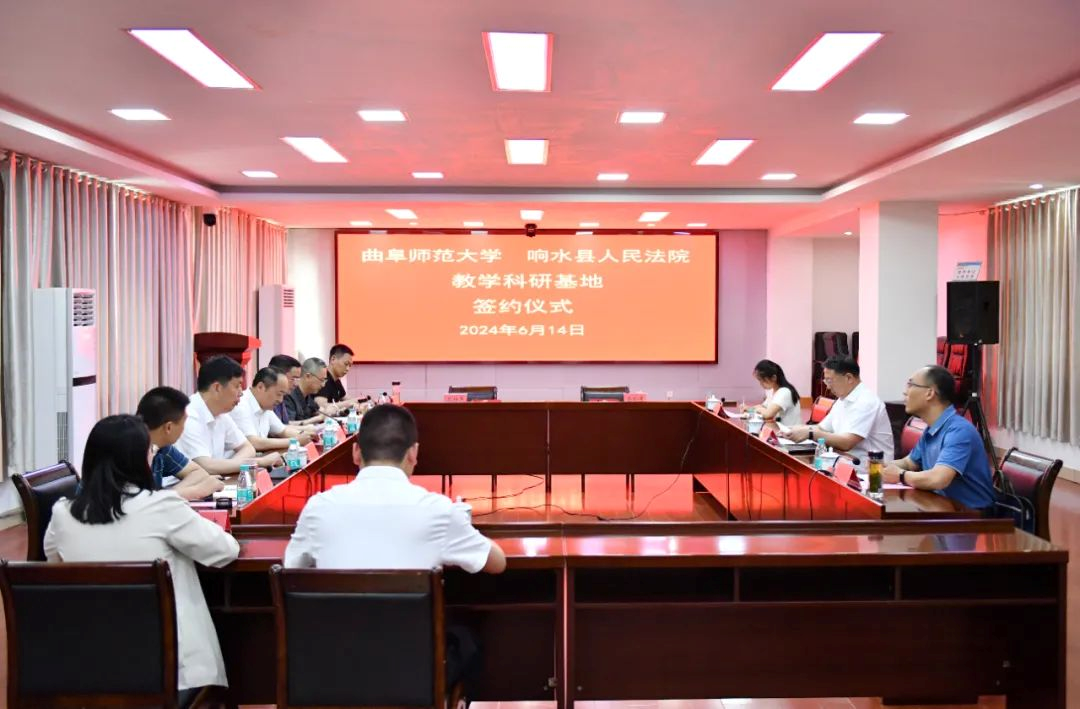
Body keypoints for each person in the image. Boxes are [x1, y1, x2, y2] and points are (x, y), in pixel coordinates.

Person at [44, 415, 240, 692]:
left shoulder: (62, 513)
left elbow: (54, 563)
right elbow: (225, 551)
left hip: (85, 664)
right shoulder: (161, 506)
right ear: (138, 460)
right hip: (165, 667)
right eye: (150, 451)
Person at [284, 404, 506, 572]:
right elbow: (497, 563)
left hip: (334, 623)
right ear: (413, 454)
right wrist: (459, 523)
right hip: (412, 623)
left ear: (356, 453)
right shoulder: (440, 511)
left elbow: (291, 567)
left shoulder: (318, 507)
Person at [882, 365, 997, 511]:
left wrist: (901, 476)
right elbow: (909, 462)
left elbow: (938, 479)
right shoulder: (932, 428)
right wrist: (881, 466)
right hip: (941, 509)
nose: (905, 392)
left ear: (929, 393)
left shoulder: (959, 431)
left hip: (971, 516)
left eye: (911, 385)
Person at [176, 355, 282, 474]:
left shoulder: (222, 413)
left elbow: (248, 448)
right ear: (217, 388)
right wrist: (259, 462)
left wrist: (232, 466)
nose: (241, 393)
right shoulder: (188, 416)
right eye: (237, 386)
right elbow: (207, 466)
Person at [787, 356, 894, 467]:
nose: (828, 387)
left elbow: (846, 443)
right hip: (844, 462)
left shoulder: (867, 401)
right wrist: (794, 429)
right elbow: (821, 428)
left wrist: (810, 434)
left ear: (849, 378)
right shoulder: (843, 399)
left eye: (829, 381)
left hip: (869, 470)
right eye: (825, 381)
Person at [136, 386, 224, 501]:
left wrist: (172, 494)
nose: (184, 428)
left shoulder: (161, 447)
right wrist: (195, 491)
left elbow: (197, 472)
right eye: (184, 422)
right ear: (168, 427)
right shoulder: (129, 448)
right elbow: (138, 502)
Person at [230, 367, 316, 452]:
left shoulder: (265, 406)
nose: (281, 400)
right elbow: (253, 442)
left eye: (283, 395)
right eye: (279, 394)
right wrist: (294, 441)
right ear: (260, 387)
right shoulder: (240, 405)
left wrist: (305, 435)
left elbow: (283, 431)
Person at [741, 359, 803, 428]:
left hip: (791, 432)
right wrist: (749, 409)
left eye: (763, 380)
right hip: (780, 430)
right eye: (759, 381)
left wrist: (757, 409)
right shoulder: (773, 391)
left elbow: (768, 414)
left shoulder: (785, 392)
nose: (761, 384)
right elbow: (763, 407)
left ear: (773, 378)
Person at [315, 343, 369, 416]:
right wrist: (349, 403)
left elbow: (345, 398)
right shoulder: (323, 378)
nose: (348, 369)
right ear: (333, 359)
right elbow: (321, 406)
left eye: (350, 366)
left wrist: (359, 403)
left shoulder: (336, 380)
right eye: (346, 364)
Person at [284, 357, 333, 425]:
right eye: (321, 380)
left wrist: (327, 411)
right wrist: (317, 419)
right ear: (308, 376)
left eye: (325, 380)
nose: (323, 385)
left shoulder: (308, 397)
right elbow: (287, 425)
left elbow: (319, 411)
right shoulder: (289, 395)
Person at [267, 354, 302, 423]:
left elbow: (284, 425)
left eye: (297, 379)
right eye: (293, 379)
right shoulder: (267, 400)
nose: (296, 384)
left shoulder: (281, 396)